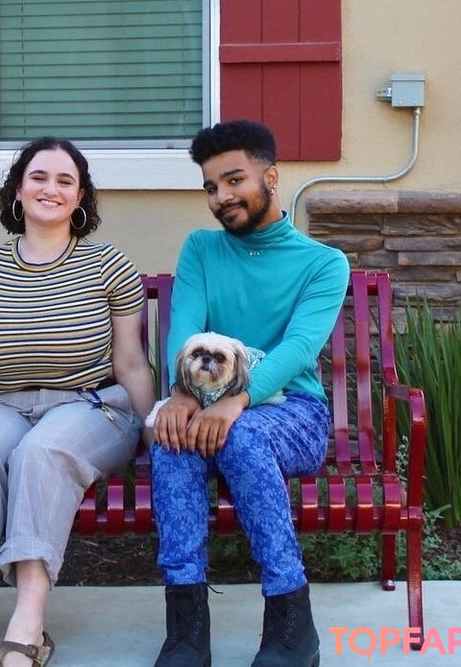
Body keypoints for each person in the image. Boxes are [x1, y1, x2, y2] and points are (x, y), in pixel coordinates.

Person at [0, 137, 155, 667]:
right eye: (39, 177)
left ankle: (27, 623)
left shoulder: (107, 264)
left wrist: (153, 438)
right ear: (17, 190)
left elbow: (131, 362)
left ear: (81, 197)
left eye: (66, 180)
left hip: (91, 407)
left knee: (40, 453)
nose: (51, 189)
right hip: (2, 405)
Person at [148, 120, 350, 667]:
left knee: (240, 436)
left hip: (292, 411)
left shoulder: (323, 263)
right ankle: (186, 631)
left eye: (234, 180)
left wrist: (236, 400)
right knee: (171, 438)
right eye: (211, 187)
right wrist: (182, 393)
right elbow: (186, 325)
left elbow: (300, 348)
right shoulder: (201, 249)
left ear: (271, 177)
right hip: (206, 402)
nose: (221, 197)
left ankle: (291, 622)